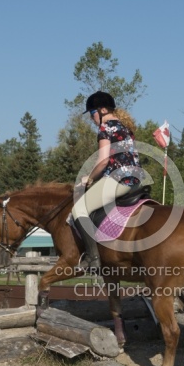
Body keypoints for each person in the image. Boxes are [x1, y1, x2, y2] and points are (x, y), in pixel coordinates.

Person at [72, 91, 144, 272]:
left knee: (78, 209)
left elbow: (104, 161)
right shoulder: (126, 127)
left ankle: (93, 257)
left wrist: (89, 178)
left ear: (103, 110)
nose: (91, 118)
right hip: (136, 181)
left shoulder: (105, 129)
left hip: (118, 180)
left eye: (92, 113)